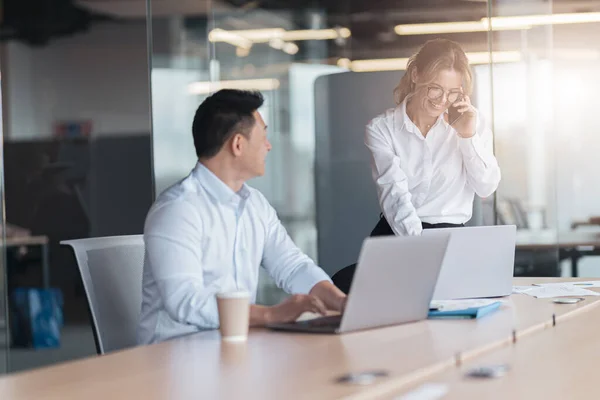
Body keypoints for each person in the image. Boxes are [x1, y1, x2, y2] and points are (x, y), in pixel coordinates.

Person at [138, 89, 346, 345]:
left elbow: (292, 266)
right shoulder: (178, 210)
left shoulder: (255, 204)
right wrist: (271, 314)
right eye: (264, 136)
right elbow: (186, 301)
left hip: (235, 344)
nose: (269, 146)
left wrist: (341, 302)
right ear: (238, 144)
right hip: (175, 354)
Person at [366, 38, 501, 237]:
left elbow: (485, 187)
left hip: (451, 234)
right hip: (400, 232)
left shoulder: (472, 122)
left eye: (453, 92)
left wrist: (467, 136)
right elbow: (395, 196)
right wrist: (421, 245)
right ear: (415, 75)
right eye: (435, 88)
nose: (443, 100)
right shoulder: (383, 129)